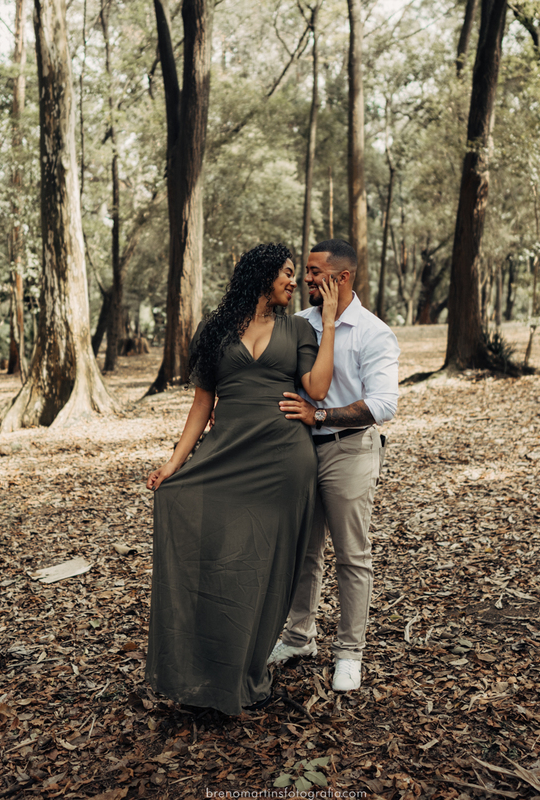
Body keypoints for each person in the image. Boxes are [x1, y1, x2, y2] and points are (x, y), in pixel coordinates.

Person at [145, 243, 338, 715]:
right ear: (261, 275)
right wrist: (174, 465)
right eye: (287, 274)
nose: (294, 282)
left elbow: (316, 389)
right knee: (217, 558)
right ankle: (203, 669)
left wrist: (329, 321)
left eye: (296, 275)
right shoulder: (216, 331)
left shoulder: (298, 328)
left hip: (283, 461)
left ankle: (248, 668)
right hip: (226, 454)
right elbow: (201, 405)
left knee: (262, 568)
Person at [270, 239, 400, 692]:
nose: (304, 279)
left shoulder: (372, 332)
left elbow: (383, 404)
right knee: (305, 551)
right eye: (303, 271)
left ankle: (349, 652)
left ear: (342, 277)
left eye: (313, 271)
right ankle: (298, 637)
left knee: (352, 554)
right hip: (301, 451)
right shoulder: (298, 324)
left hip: (349, 450)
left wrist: (320, 415)